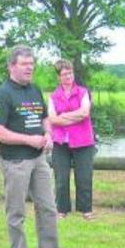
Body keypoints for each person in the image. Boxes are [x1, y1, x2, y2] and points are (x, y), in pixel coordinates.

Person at [0, 45, 74, 248]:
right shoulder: (2, 95)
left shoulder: (35, 90)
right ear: (11, 67)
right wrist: (28, 140)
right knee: (16, 212)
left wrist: (47, 134)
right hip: (15, 161)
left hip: (39, 159)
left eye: (32, 64)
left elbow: (44, 118)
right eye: (25, 64)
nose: (30, 68)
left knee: (47, 206)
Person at [47, 59, 96, 220]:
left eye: (70, 73)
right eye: (64, 74)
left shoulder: (83, 92)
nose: (68, 76)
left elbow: (84, 113)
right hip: (61, 142)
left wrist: (64, 117)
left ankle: (86, 210)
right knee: (61, 178)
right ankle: (62, 210)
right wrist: (72, 117)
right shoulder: (53, 96)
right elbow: (52, 119)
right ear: (59, 77)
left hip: (83, 141)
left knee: (84, 177)